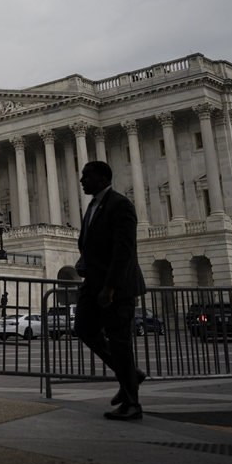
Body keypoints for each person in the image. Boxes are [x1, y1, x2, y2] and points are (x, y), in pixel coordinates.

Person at [74, 160, 148, 421]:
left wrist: (110, 286)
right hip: (93, 284)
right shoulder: (94, 205)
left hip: (115, 288)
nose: (82, 180)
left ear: (102, 179)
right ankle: (130, 374)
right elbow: (91, 244)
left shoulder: (120, 205)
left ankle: (132, 405)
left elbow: (123, 249)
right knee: (83, 328)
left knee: (119, 343)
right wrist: (83, 263)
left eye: (86, 176)